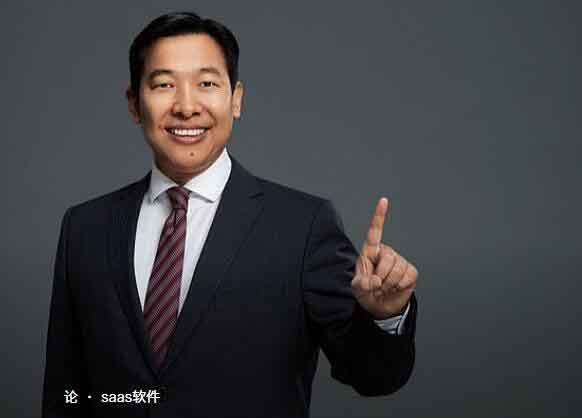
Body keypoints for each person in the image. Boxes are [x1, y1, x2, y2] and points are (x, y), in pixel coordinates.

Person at [42, 11, 418, 418]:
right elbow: (67, 394)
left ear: (235, 99)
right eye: (164, 84)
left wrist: (384, 316)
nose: (187, 107)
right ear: (134, 103)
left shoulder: (303, 227)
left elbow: (373, 376)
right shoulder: (85, 228)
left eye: (206, 83)